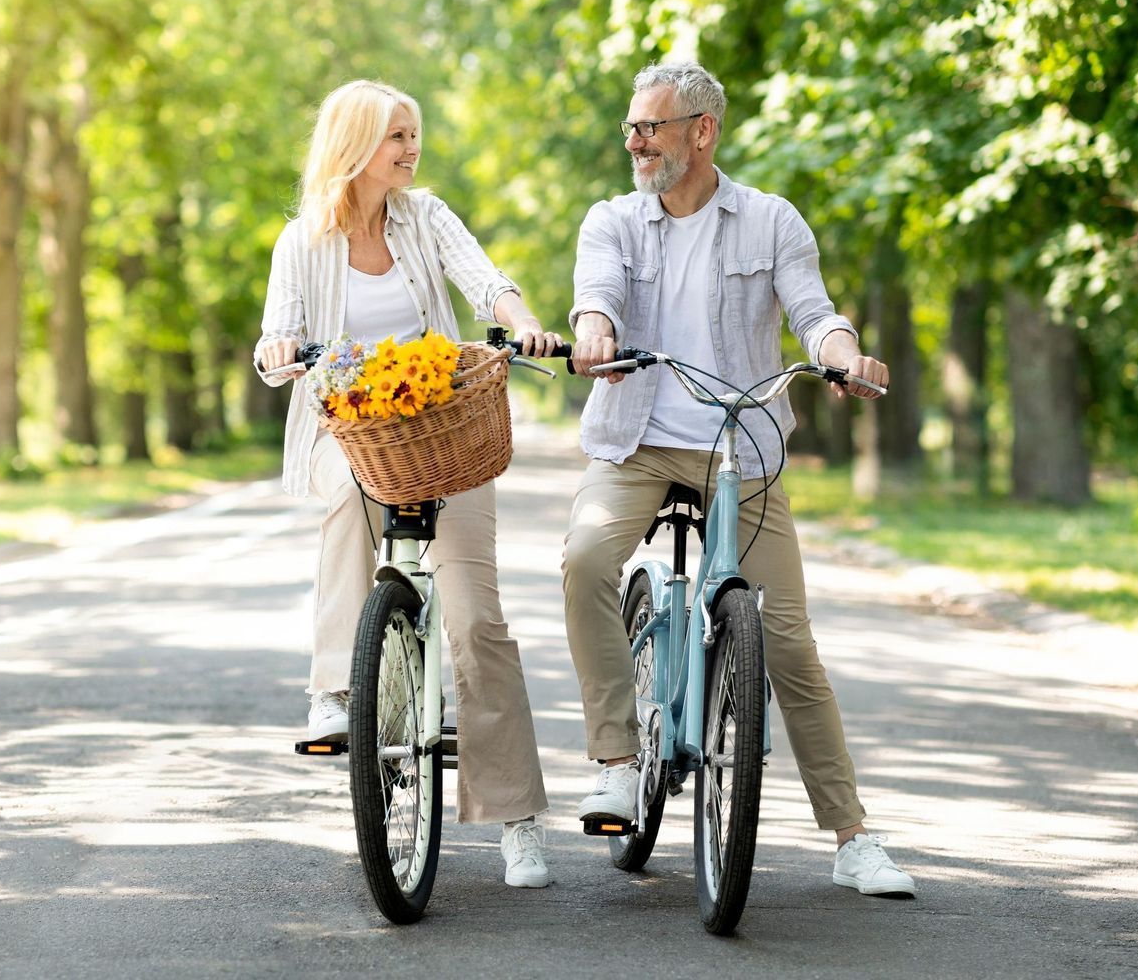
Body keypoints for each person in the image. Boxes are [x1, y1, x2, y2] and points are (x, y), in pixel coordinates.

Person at [563, 61, 916, 897]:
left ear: (703, 131)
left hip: (741, 446)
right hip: (638, 440)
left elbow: (814, 312)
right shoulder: (612, 219)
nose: (636, 142)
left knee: (787, 641)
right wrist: (595, 333)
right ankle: (617, 761)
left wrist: (841, 358)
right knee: (583, 559)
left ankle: (853, 837)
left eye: (651, 127)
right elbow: (595, 296)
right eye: (632, 128)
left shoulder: (769, 222)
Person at [256, 80, 558, 889]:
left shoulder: (426, 216)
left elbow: (485, 280)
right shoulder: (304, 238)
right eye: (396, 136)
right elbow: (278, 325)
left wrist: (520, 318)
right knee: (346, 503)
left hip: (444, 429)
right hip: (349, 424)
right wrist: (279, 350)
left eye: (413, 133)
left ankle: (518, 821)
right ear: (355, 143)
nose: (410, 148)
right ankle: (335, 691)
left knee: (472, 619)